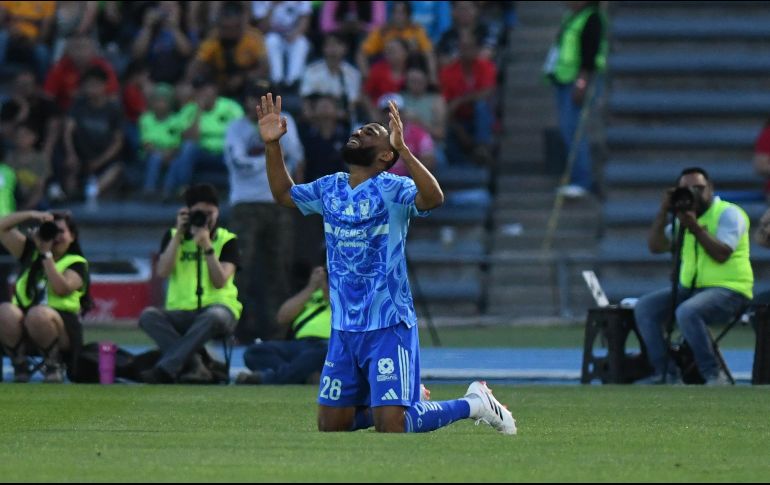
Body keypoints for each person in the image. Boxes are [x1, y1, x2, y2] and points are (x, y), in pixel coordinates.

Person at [258, 92, 516, 434]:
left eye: (370, 132)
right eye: (360, 129)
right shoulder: (330, 187)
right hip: (345, 327)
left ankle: (475, 402)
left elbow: (434, 198)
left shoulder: (393, 188)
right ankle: (406, 399)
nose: (359, 132)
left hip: (388, 323)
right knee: (331, 425)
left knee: (391, 426)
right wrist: (273, 145)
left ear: (384, 155)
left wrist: (405, 150)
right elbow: (283, 194)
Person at [634, 167, 753, 385]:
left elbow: (722, 254)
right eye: (687, 189)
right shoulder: (682, 218)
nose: (694, 194)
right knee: (645, 308)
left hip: (731, 290)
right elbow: (656, 246)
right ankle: (666, 373)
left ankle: (713, 374)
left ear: (711, 189)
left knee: (687, 311)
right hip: (690, 289)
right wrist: (663, 211)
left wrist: (696, 228)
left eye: (699, 188)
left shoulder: (729, 213)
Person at [224, 81, 303, 342]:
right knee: (240, 268)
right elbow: (239, 163)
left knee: (278, 269)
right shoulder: (235, 128)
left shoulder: (285, 120)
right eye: (251, 98)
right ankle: (235, 329)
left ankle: (277, 332)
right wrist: (273, 157)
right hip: (245, 205)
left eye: (260, 98)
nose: (254, 104)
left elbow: (297, 157)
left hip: (279, 202)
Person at [138, 184, 241, 384]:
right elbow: (162, 271)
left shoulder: (227, 240)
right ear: (188, 213)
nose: (206, 219)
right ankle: (196, 364)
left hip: (219, 309)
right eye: (199, 213)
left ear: (218, 212)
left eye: (210, 213)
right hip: (181, 311)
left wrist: (207, 247)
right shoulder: (173, 236)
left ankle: (166, 368)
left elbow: (220, 281)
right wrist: (178, 234)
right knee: (148, 316)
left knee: (213, 316)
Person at [0, 210, 90, 383]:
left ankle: (53, 364)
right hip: (23, 327)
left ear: (73, 236)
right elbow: (2, 228)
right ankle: (19, 364)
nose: (55, 237)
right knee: (4, 310)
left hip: (60, 330)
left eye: (61, 232)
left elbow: (61, 288)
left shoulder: (76, 263)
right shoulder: (29, 252)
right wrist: (32, 215)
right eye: (51, 231)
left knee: (38, 314)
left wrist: (46, 254)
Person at [543, 1, 608, 198]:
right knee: (567, 129)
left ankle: (582, 179)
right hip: (564, 78)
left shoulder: (592, 18)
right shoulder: (571, 17)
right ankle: (576, 177)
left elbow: (590, 53)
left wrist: (582, 82)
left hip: (577, 80)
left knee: (574, 130)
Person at [236, 265, 331, 385]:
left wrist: (326, 287)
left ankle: (267, 379)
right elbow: (282, 317)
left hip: (328, 344)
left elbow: (339, 307)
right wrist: (311, 287)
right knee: (254, 352)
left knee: (321, 353)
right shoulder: (311, 294)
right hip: (300, 344)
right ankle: (301, 375)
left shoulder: (347, 292)